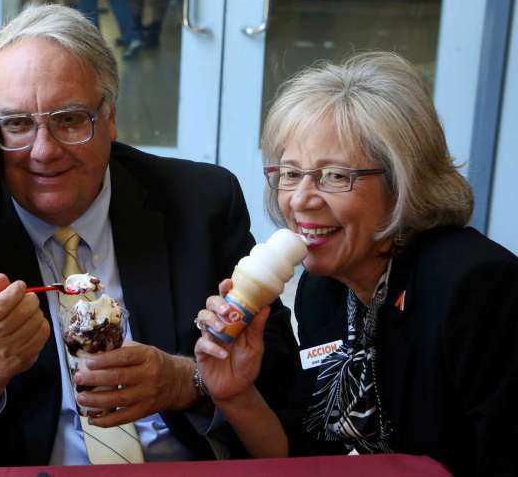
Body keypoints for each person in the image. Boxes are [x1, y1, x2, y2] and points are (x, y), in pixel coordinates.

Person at [0, 3, 297, 468]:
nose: (43, 151)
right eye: (17, 124)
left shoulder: (198, 202)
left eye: (69, 119)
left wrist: (187, 383)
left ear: (111, 117)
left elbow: (282, 377)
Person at [194, 52, 518, 476]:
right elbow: (307, 458)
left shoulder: (475, 287)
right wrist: (235, 395)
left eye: (333, 176)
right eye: (291, 174)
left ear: (402, 181)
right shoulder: (323, 288)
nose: (300, 199)